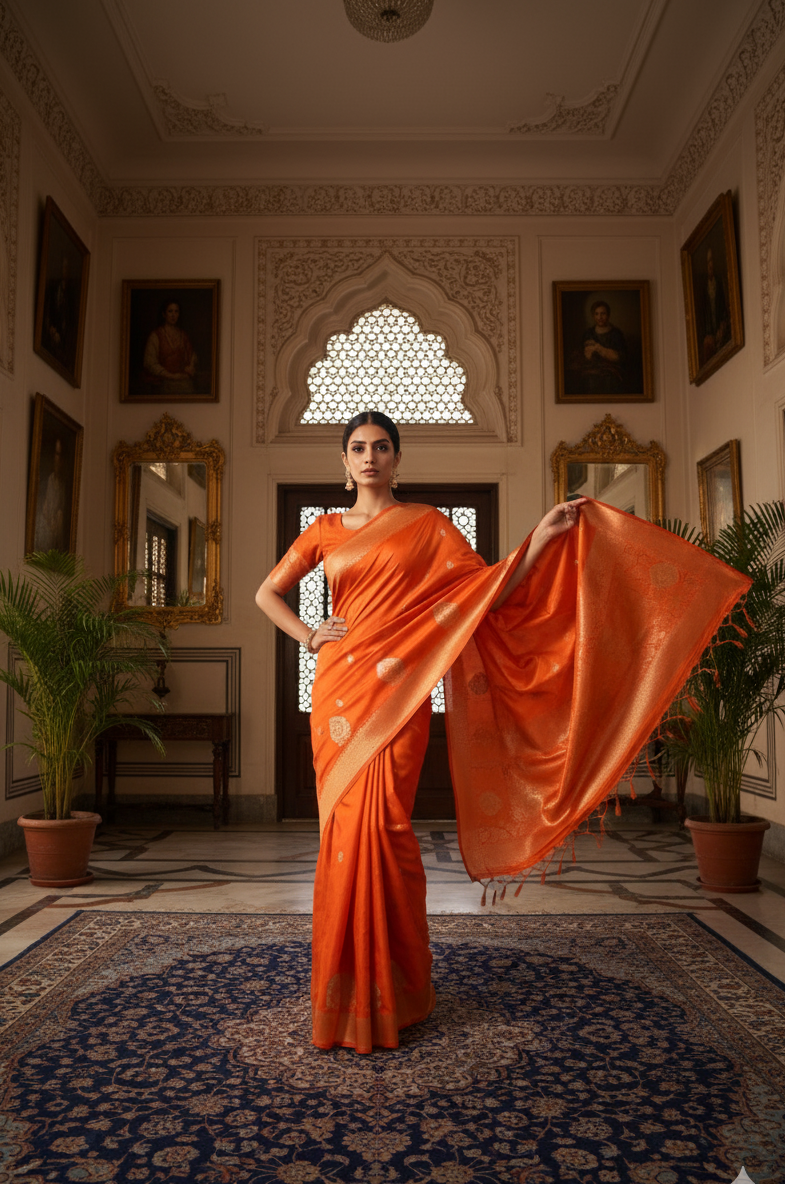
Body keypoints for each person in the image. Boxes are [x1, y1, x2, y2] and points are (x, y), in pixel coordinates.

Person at [255, 411, 749, 1054]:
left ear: (397, 459)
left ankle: (398, 990)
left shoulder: (429, 527)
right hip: (340, 695)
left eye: (381, 447)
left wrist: (541, 538)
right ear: (342, 463)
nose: (370, 457)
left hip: (399, 694)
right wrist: (310, 634)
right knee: (344, 835)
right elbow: (268, 593)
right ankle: (343, 990)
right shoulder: (322, 530)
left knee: (388, 830)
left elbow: (488, 590)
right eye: (358, 448)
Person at [569, 300, 628, 394]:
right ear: (593, 316)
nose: (600, 317)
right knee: (587, 379)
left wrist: (599, 349)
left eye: (603, 314)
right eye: (597, 314)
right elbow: (585, 356)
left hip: (612, 371)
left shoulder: (616, 334)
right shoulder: (588, 333)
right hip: (591, 370)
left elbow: (620, 357)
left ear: (608, 315)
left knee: (609, 380)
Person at [143, 299, 198, 395]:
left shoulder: (183, 335)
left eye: (176, 311)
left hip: (183, 379)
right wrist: (172, 376)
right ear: (164, 314)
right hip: (163, 381)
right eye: (170, 311)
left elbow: (192, 355)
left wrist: (191, 366)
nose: (173, 315)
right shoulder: (156, 335)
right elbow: (150, 363)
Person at [34, 437, 68, 552]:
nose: (58, 459)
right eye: (56, 454)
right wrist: (51, 520)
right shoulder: (47, 481)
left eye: (60, 455)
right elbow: (44, 510)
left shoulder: (63, 485)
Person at [700, 247, 730, 364]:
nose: (710, 265)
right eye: (708, 262)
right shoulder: (704, 288)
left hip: (721, 330)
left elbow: (725, 307)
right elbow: (703, 315)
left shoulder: (721, 283)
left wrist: (722, 326)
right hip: (709, 335)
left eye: (712, 261)